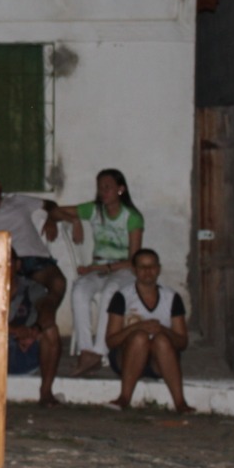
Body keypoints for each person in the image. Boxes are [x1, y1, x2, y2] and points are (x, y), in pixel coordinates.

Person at [51, 169, 144, 377]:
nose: (103, 192)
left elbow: (134, 260)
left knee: (111, 291)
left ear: (120, 190)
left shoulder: (132, 217)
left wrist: (103, 269)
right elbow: (55, 212)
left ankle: (100, 351)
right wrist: (75, 220)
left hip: (123, 270)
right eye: (100, 188)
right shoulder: (94, 210)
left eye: (108, 187)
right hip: (99, 268)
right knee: (79, 290)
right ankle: (86, 350)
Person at [0, 179, 66, 406]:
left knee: (56, 286)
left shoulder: (17, 201)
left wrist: (36, 329)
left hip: (31, 259)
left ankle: (46, 392)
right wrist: (18, 331)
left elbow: (50, 205)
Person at [104, 248, 192, 413]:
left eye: (151, 266)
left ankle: (180, 402)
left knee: (161, 340)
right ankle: (124, 397)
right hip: (127, 357)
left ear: (158, 269)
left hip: (159, 361)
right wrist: (136, 327)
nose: (147, 271)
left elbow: (182, 342)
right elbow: (111, 341)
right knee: (139, 337)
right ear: (134, 270)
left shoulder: (171, 297)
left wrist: (162, 330)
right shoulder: (122, 296)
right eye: (142, 267)